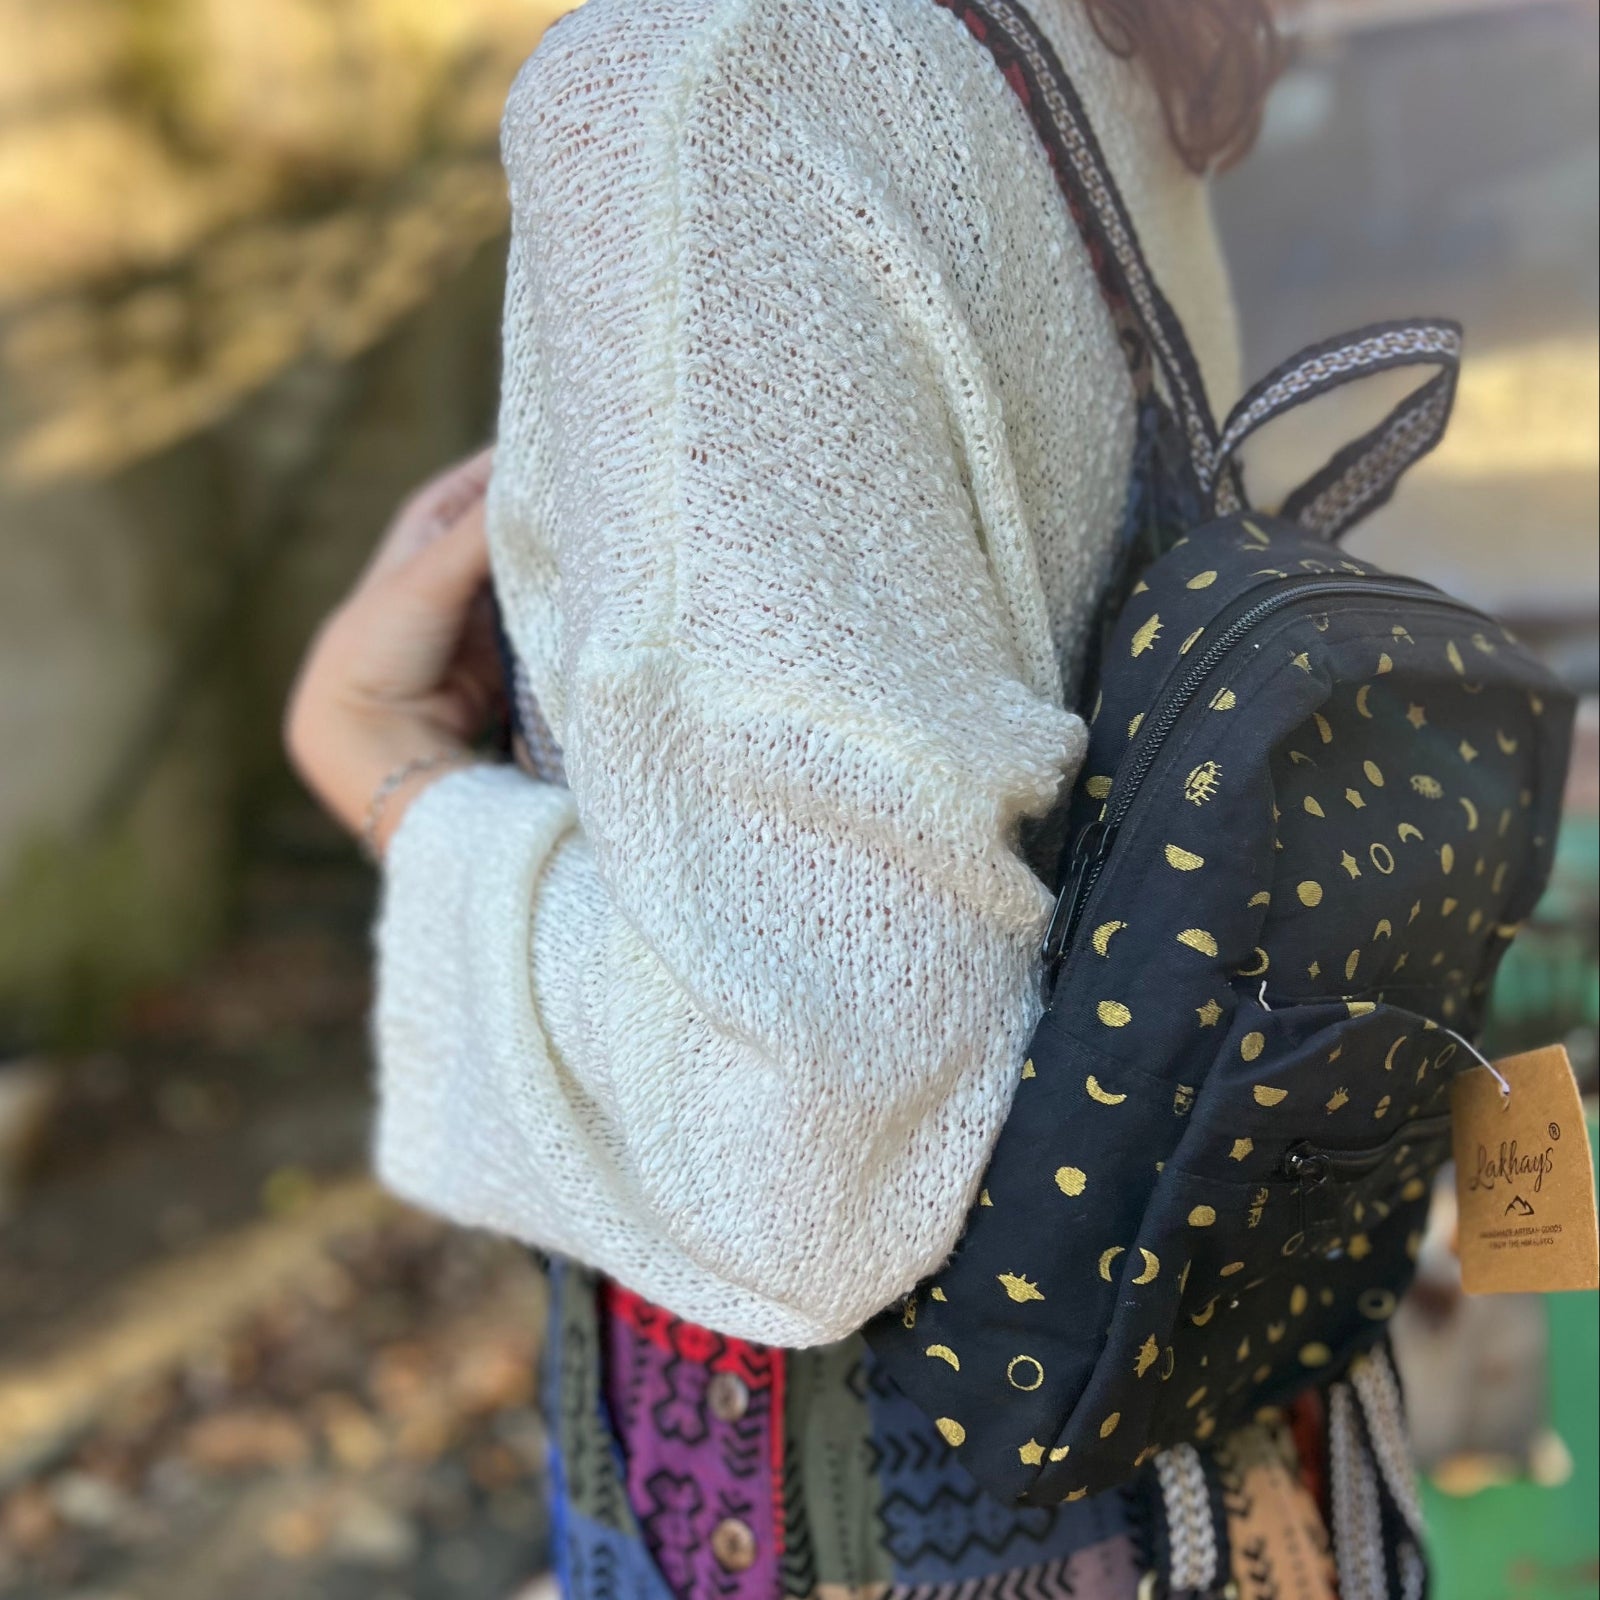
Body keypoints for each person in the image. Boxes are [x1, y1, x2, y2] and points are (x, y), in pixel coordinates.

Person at [289, 0, 1338, 1593]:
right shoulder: (1083, 37)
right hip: (1225, 1475)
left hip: (862, 1507)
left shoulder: (707, 86)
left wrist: (386, 775)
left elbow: (800, 1160)